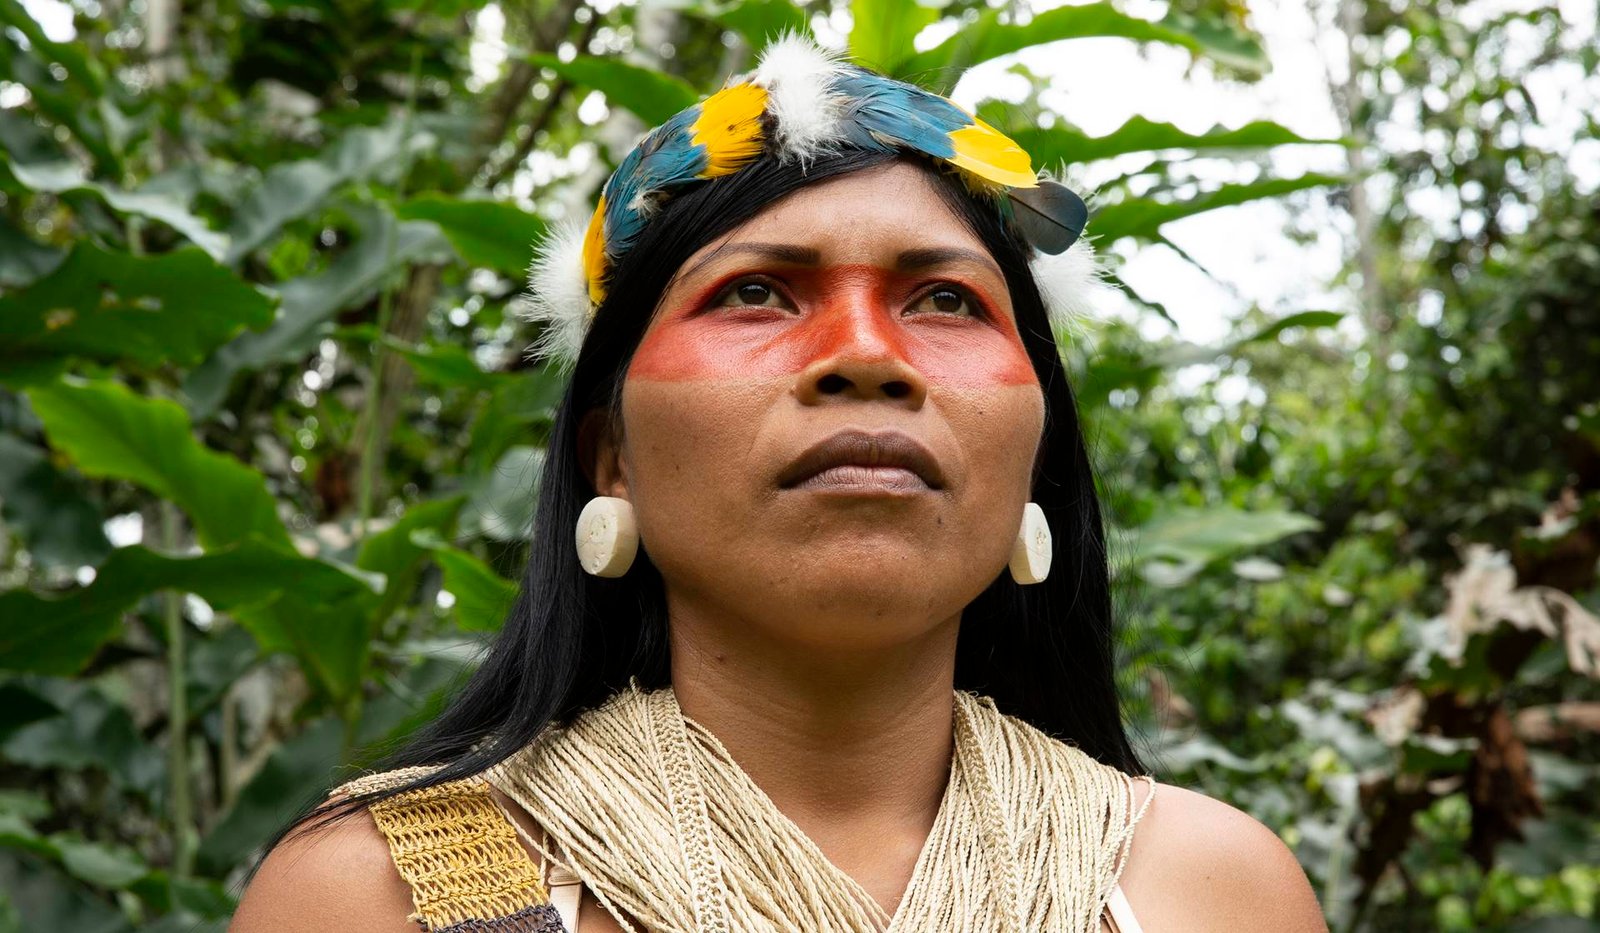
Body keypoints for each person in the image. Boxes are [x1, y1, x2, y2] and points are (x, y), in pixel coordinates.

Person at [231, 34, 1327, 933]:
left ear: (1034, 453)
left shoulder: (1213, 895)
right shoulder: (375, 895)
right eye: (756, 292)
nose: (866, 353)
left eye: (945, 301)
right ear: (610, 455)